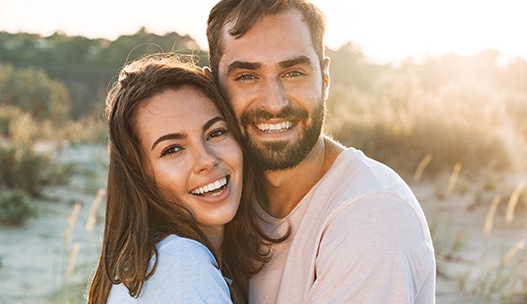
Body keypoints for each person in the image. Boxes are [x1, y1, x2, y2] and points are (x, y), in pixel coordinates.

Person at [205, 0, 436, 303]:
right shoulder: (218, 197)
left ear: (324, 79)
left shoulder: (373, 217)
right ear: (213, 88)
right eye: (247, 76)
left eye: (293, 73)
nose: (274, 103)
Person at [87, 53, 283, 303]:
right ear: (140, 176)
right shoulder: (180, 264)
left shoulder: (155, 263)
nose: (206, 160)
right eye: (172, 149)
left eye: (216, 133)